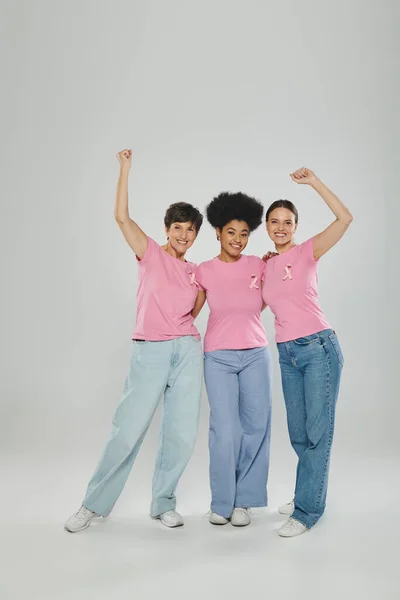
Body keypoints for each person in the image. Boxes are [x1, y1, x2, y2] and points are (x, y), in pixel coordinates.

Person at [65, 149, 204, 532]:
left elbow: (198, 308)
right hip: (151, 350)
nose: (184, 234)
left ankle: (163, 503)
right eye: (179, 227)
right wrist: (125, 168)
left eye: (191, 229)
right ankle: (92, 505)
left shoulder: (195, 271)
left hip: (188, 351)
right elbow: (121, 217)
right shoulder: (150, 253)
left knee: (181, 432)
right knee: (127, 430)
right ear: (168, 228)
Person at [262, 167, 353, 537]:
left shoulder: (307, 252)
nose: (280, 227)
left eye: (287, 222)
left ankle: (307, 510)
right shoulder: (267, 264)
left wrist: (314, 182)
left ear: (296, 226)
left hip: (318, 349)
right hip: (287, 354)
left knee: (317, 434)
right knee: (299, 434)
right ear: (266, 226)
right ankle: (308, 491)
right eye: (274, 222)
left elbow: (345, 218)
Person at [192, 192, 272, 527]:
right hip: (219, 357)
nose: (237, 240)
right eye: (231, 232)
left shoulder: (259, 265)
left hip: (255, 353)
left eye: (243, 234)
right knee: (224, 430)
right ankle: (222, 502)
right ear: (217, 232)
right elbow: (190, 312)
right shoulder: (204, 270)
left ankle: (245, 501)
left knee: (256, 426)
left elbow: (265, 301)